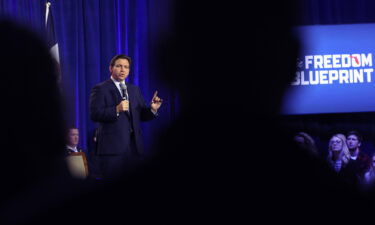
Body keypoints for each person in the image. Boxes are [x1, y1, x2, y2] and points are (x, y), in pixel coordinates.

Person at [89, 54, 162, 179]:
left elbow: (140, 115)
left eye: (126, 67)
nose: (123, 70)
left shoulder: (134, 89)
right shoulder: (100, 89)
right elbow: (95, 114)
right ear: (111, 68)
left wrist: (152, 109)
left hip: (134, 149)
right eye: (119, 66)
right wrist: (116, 109)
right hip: (112, 151)